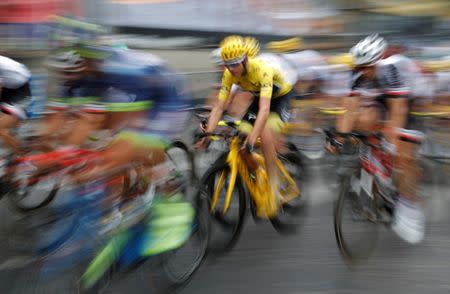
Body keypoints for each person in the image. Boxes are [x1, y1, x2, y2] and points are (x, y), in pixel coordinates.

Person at [334, 34, 425, 243]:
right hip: (382, 101)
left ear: (378, 61)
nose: (363, 71)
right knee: (363, 119)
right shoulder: (356, 73)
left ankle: (408, 204)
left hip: (407, 104)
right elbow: (348, 109)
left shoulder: (390, 69)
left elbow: (398, 109)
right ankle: (374, 172)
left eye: (368, 67)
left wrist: (392, 140)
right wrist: (339, 137)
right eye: (359, 67)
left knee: (403, 154)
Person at [198, 35, 296, 208]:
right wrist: (207, 134)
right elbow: (219, 107)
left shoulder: (261, 69)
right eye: (227, 64)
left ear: (245, 60)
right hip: (260, 97)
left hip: (280, 98)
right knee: (241, 142)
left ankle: (274, 187)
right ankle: (259, 175)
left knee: (264, 134)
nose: (232, 68)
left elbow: (265, 110)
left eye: (235, 63)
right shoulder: (229, 74)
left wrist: (253, 139)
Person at [0, 55, 33, 153]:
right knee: (7, 131)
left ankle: (23, 157)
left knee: (1, 129)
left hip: (19, 91)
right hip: (10, 87)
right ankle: (13, 153)